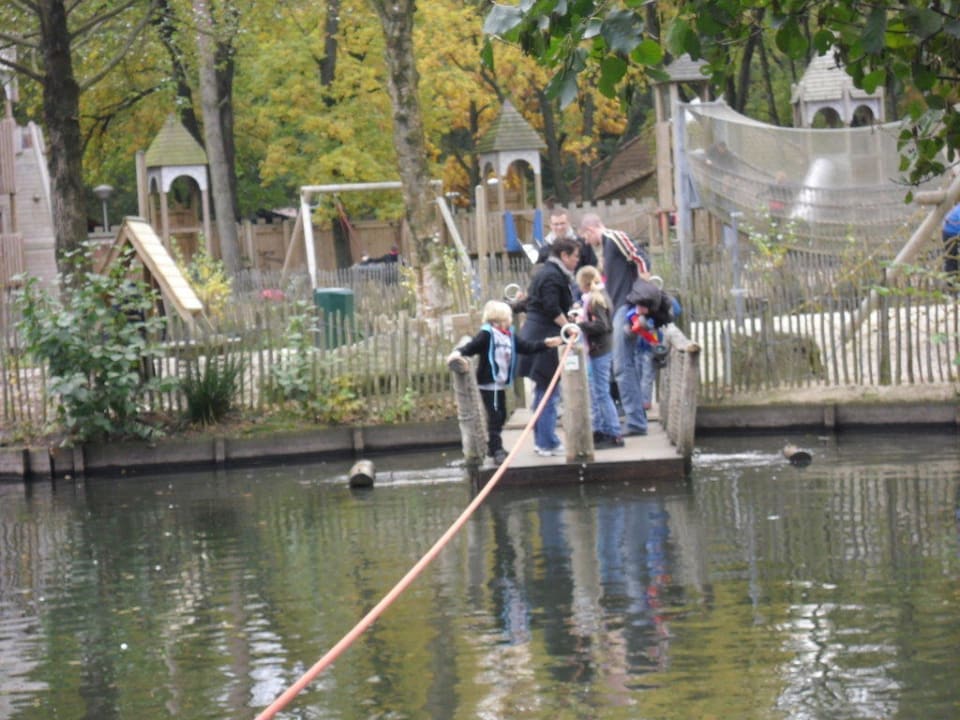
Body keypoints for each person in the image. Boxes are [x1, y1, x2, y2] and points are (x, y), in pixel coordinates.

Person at [448, 300, 562, 465]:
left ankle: (494, 447)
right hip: (489, 384)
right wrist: (457, 353)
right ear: (500, 318)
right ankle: (497, 449)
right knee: (495, 416)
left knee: (501, 416)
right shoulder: (487, 334)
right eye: (508, 317)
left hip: (500, 383)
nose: (510, 319)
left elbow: (525, 347)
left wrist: (545, 344)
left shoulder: (508, 334)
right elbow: (473, 346)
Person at [579, 212, 652, 436]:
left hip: (626, 307)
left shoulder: (613, 237)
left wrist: (642, 297)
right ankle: (635, 419)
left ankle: (636, 421)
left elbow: (640, 258)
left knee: (622, 366)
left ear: (590, 230)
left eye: (585, 237)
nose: (586, 243)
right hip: (618, 308)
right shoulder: (606, 251)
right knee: (622, 366)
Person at [516, 237, 580, 456]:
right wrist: (569, 328)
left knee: (545, 390)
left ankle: (545, 439)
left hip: (539, 332)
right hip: (544, 335)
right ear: (564, 256)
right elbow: (551, 307)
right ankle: (546, 442)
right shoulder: (552, 275)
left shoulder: (546, 273)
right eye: (575, 256)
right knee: (547, 391)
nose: (577, 260)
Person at [575, 265, 624, 447]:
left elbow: (602, 326)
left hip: (600, 350)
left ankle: (614, 432)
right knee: (598, 391)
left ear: (583, 284)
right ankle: (602, 429)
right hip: (602, 348)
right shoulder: (600, 297)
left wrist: (581, 325)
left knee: (602, 392)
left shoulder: (595, 300)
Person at [625, 279, 676, 412]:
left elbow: (672, 312)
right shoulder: (633, 313)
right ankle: (640, 402)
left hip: (649, 348)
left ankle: (645, 403)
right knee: (637, 374)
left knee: (647, 376)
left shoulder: (656, 313)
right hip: (638, 347)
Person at [536, 208, 598, 273]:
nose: (559, 227)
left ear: (568, 223)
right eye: (556, 224)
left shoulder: (582, 243)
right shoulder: (545, 248)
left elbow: (592, 268)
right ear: (550, 225)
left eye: (562, 223)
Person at [943, 203, 960, 284]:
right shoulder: (958, 210)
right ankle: (951, 284)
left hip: (953, 229)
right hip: (949, 233)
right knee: (951, 258)